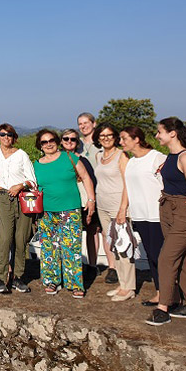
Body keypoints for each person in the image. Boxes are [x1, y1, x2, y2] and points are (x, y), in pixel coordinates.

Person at [146, 118, 186, 326]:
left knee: (166, 258)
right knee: (182, 257)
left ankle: (163, 307)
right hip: (168, 209)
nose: (156, 136)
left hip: (182, 212)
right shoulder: (171, 157)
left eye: (159, 132)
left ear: (173, 133)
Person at [33, 129, 95, 298]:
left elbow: (86, 178)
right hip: (46, 212)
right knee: (48, 248)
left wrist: (91, 200)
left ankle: (75, 284)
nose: (48, 144)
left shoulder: (70, 158)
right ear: (40, 145)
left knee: (71, 247)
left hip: (70, 209)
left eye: (51, 140)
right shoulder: (36, 164)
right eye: (44, 142)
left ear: (57, 141)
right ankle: (51, 281)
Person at [0, 124, 37, 294]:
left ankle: (18, 277)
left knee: (21, 240)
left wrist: (20, 185)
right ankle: (1, 277)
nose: (6, 137)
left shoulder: (21, 155)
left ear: (14, 137)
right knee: (5, 239)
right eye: (2, 134)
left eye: (9, 134)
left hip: (22, 199)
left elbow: (32, 181)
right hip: (2, 198)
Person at [118, 126, 166, 306]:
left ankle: (169, 292)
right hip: (140, 215)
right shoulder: (131, 162)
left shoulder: (156, 158)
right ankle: (161, 292)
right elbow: (128, 188)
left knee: (159, 255)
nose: (121, 142)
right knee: (152, 255)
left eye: (124, 138)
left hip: (157, 215)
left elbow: (167, 185)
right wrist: (124, 208)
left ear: (136, 139)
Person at [93, 124, 129, 287]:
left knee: (122, 241)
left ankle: (127, 280)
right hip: (102, 204)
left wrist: (123, 207)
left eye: (109, 135)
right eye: (102, 136)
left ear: (115, 137)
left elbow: (128, 183)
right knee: (109, 240)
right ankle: (113, 268)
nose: (106, 138)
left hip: (117, 204)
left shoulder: (122, 155)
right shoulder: (98, 156)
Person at [60, 129, 101, 272]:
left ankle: (92, 265)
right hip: (65, 203)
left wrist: (92, 201)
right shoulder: (57, 161)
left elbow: (91, 181)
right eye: (66, 139)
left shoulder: (83, 161)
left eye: (73, 139)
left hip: (83, 202)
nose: (69, 142)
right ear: (61, 141)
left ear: (77, 142)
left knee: (92, 231)